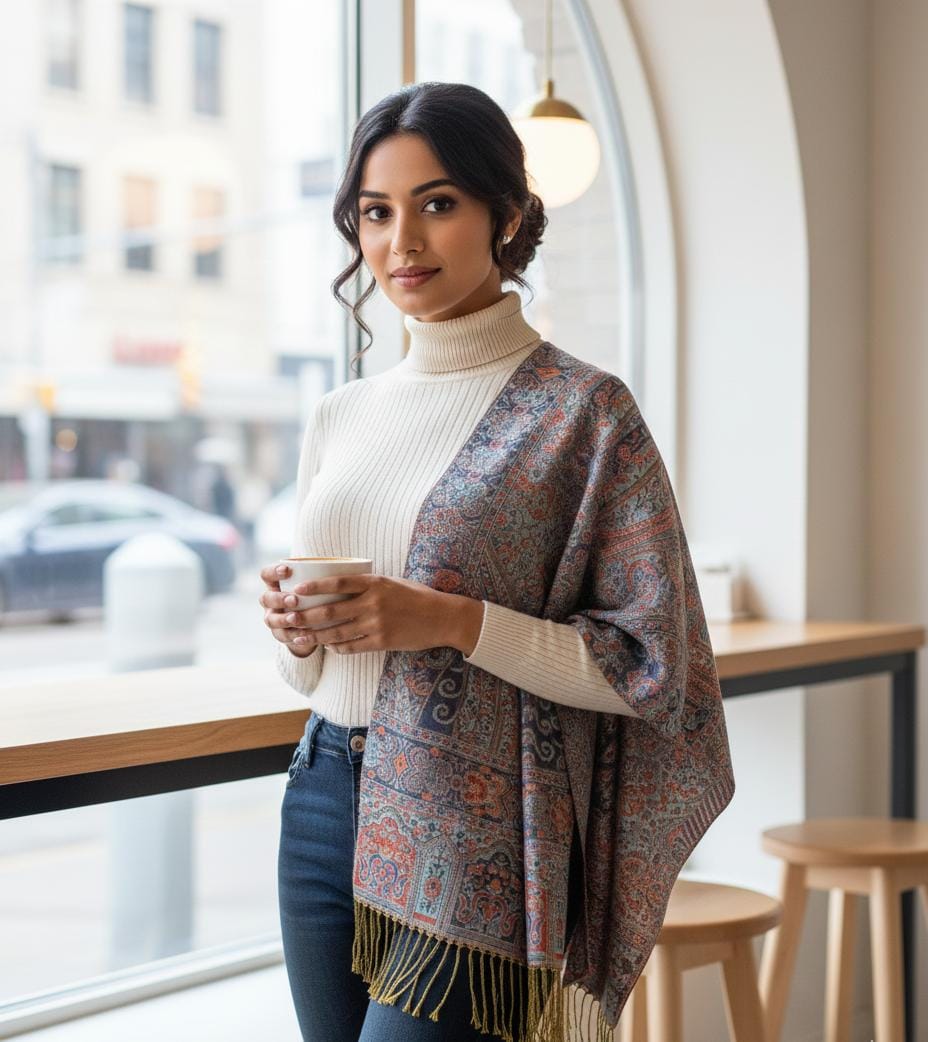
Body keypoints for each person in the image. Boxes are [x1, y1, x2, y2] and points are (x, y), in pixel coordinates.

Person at [260, 82, 735, 1042]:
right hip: (320, 794)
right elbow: (313, 666)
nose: (404, 242)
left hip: (466, 821)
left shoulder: (582, 414)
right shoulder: (341, 414)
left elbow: (651, 664)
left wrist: (447, 621)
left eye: (438, 204)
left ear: (506, 215)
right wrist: (292, 632)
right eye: (376, 212)